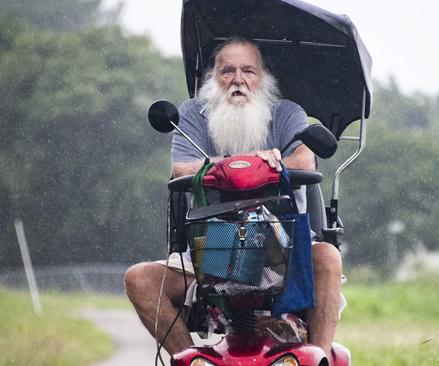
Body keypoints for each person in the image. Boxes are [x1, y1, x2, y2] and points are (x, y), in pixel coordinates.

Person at [124, 38, 342, 361]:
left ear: (263, 78)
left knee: (328, 258)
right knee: (138, 279)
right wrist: (240, 163)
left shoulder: (287, 113)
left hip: (286, 247)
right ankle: (191, 357)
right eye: (227, 71)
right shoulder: (193, 115)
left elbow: (304, 160)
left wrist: (266, 163)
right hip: (211, 249)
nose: (238, 79)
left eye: (248, 71)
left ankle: (320, 358)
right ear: (213, 79)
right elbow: (181, 167)